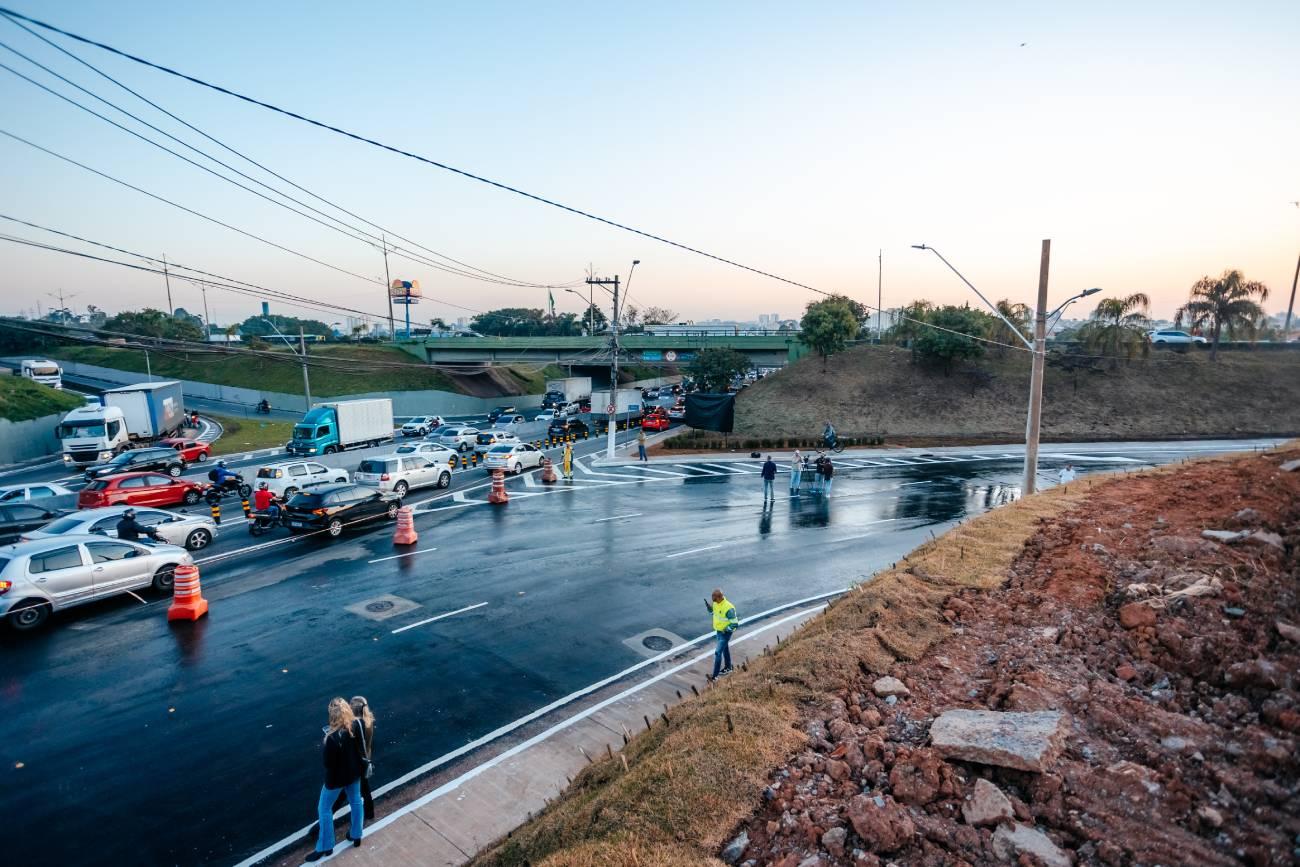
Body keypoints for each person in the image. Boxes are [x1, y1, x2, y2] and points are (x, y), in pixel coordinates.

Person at [308, 698, 365, 861]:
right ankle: (356, 835)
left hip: (335, 780)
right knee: (356, 801)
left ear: (332, 715)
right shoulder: (355, 726)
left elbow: (328, 764)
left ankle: (325, 846)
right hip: (354, 774)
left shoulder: (331, 738)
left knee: (324, 809)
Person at [333, 696, 376, 821]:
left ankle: (325, 818)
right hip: (365, 759)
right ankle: (370, 813)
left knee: (344, 791)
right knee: (364, 789)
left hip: (356, 763)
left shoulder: (356, 725)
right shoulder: (368, 721)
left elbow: (348, 742)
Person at [706, 589, 738, 678]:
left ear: (720, 597)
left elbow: (735, 624)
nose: (713, 599)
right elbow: (714, 614)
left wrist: (726, 629)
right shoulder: (716, 603)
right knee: (725, 649)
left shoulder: (729, 608)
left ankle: (714, 677)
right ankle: (728, 667)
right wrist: (709, 609)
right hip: (718, 631)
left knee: (718, 653)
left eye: (714, 598)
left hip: (725, 633)